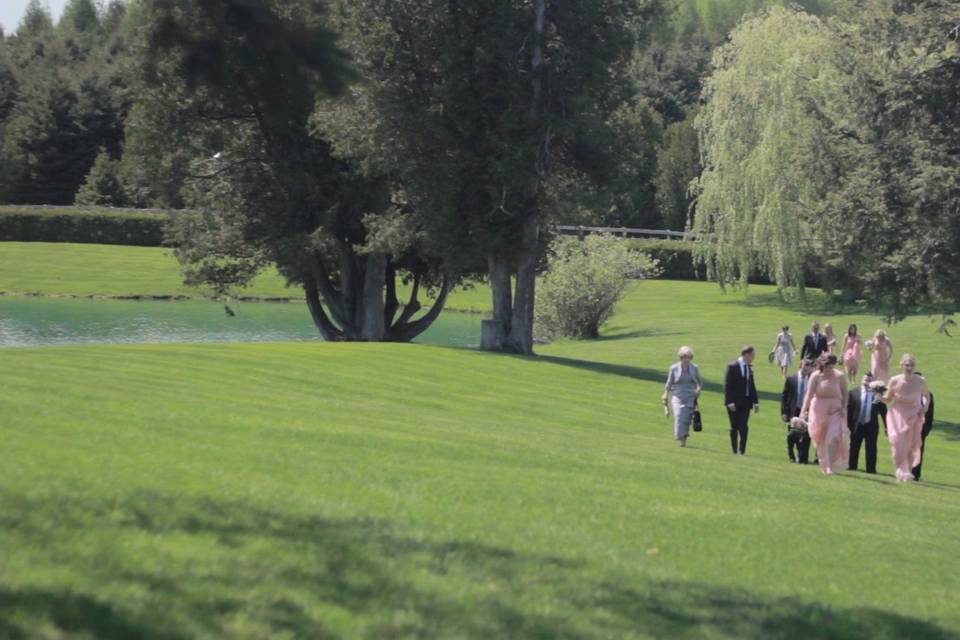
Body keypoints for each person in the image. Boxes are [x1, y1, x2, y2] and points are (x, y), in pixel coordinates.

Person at [881, 354, 930, 482]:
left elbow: (927, 396)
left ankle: (906, 473)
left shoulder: (920, 381)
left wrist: (924, 407)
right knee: (897, 442)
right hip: (896, 415)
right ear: (902, 365)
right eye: (907, 365)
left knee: (911, 445)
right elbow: (888, 399)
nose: (909, 367)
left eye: (912, 365)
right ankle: (900, 469)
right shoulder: (894, 380)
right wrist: (878, 394)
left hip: (914, 415)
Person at [801, 353, 849, 475]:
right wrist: (803, 411)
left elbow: (845, 393)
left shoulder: (839, 376)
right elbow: (809, 394)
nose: (830, 369)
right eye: (828, 366)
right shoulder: (816, 376)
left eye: (832, 366)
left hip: (835, 411)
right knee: (821, 440)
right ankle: (824, 464)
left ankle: (830, 466)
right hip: (818, 410)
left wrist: (844, 408)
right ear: (822, 364)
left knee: (833, 437)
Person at [662, 346, 703, 447]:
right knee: (679, 415)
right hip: (677, 395)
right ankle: (679, 436)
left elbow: (700, 382)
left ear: (691, 358)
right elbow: (669, 382)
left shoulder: (695, 368)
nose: (686, 359)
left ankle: (683, 440)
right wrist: (666, 393)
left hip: (690, 395)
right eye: (684, 357)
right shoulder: (674, 368)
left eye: (688, 357)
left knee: (686, 419)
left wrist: (698, 390)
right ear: (680, 357)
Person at [846, 371, 886, 474]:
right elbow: (848, 410)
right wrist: (846, 425)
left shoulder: (878, 395)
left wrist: (887, 426)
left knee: (871, 448)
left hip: (871, 425)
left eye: (870, 380)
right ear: (862, 379)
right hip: (856, 424)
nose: (867, 381)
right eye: (866, 379)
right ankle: (852, 466)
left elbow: (884, 412)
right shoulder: (853, 392)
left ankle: (871, 469)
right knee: (854, 446)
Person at [725, 346, 759, 455]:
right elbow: (727, 385)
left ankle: (742, 450)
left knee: (744, 426)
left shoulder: (749, 368)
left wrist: (756, 402)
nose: (753, 358)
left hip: (746, 402)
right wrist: (729, 402)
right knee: (734, 426)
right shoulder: (732, 366)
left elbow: (751, 385)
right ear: (746, 355)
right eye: (752, 355)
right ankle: (734, 450)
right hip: (734, 402)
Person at [781, 359, 815, 463]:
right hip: (793, 411)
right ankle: (791, 455)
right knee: (792, 436)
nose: (807, 368)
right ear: (800, 366)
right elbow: (784, 396)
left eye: (809, 366)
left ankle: (803, 457)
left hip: (807, 412)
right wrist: (784, 413)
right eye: (805, 365)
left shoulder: (812, 380)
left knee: (806, 436)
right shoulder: (791, 379)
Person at [911, 373, 934, 481]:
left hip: (921, 430)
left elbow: (930, 416)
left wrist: (925, 430)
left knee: (918, 452)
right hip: (908, 428)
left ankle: (915, 474)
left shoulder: (929, 395)